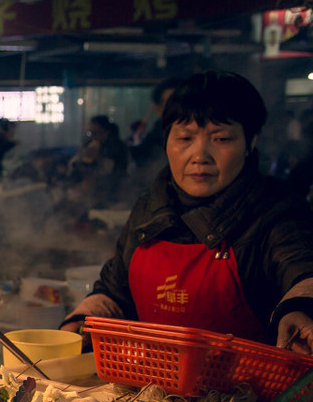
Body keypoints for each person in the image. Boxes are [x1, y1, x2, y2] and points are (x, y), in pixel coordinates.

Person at [61, 71, 313, 354]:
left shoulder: (276, 210)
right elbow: (115, 292)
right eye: (184, 138)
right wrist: (78, 325)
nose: (199, 155)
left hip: (251, 395)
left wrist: (299, 311)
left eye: (221, 139)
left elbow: (301, 271)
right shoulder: (149, 208)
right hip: (150, 392)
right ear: (167, 140)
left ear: (250, 143)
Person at [68, 115, 129, 203]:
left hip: (110, 192)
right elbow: (73, 164)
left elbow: (116, 170)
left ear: (106, 132)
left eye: (96, 133)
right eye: (90, 133)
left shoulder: (117, 146)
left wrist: (99, 159)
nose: (93, 136)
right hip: (87, 192)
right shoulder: (88, 144)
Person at [130, 77, 184, 174]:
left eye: (183, 102)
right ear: (159, 109)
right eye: (171, 103)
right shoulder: (156, 136)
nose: (179, 108)